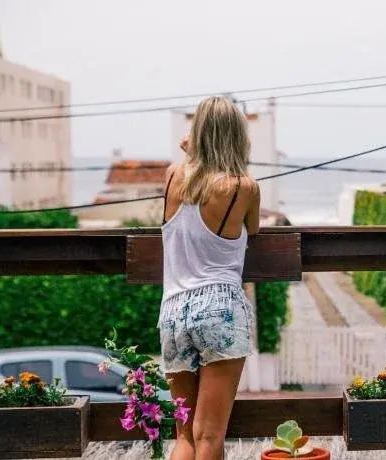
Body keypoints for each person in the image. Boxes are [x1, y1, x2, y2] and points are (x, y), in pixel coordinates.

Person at [158, 96, 260, 460]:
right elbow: (253, 228)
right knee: (210, 436)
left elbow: (193, 173)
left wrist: (191, 152)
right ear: (239, 136)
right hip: (220, 309)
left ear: (197, 132)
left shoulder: (173, 175)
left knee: (185, 435)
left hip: (173, 312)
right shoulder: (243, 188)